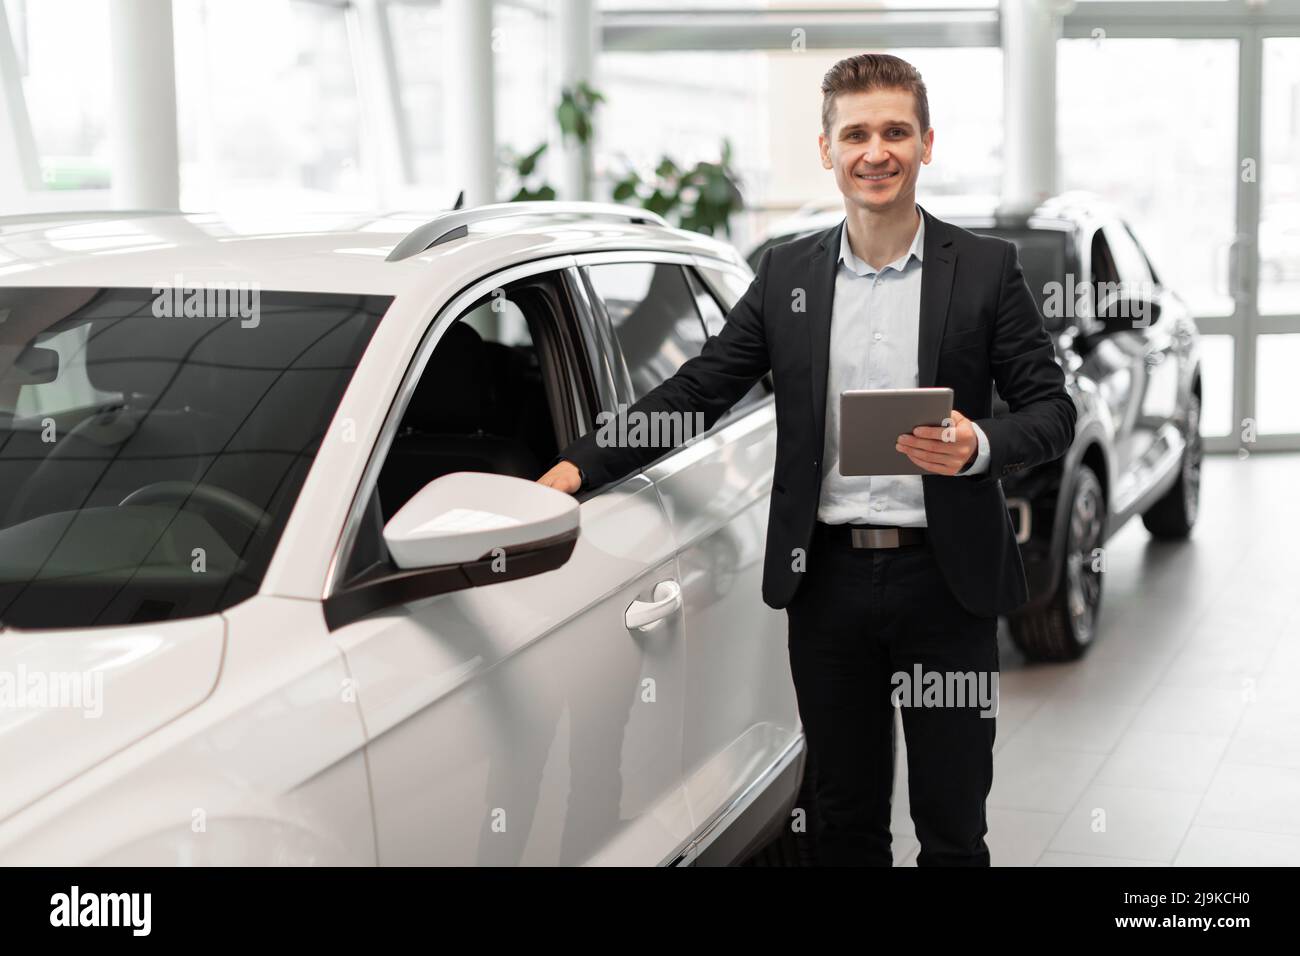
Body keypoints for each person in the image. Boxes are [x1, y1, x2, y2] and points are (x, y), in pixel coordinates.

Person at [536, 52, 1076, 866]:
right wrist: (574, 471)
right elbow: (696, 390)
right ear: (827, 150)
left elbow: (1053, 411)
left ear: (927, 143)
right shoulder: (787, 273)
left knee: (953, 825)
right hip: (826, 586)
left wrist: (980, 446)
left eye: (896, 131)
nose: (876, 151)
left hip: (949, 584)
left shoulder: (986, 271)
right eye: (855, 133)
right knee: (842, 820)